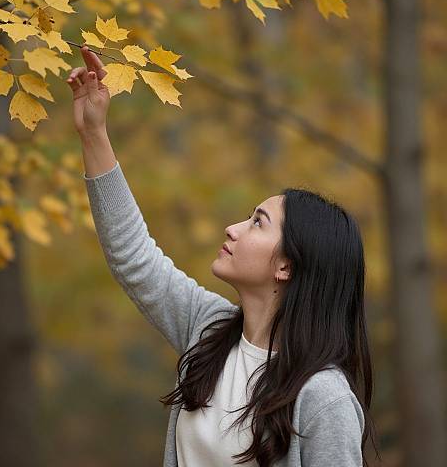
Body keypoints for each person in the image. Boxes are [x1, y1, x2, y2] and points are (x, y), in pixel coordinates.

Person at [66, 46, 379, 467]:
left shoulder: (323, 399)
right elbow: (133, 258)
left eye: (257, 222)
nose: (233, 228)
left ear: (286, 266)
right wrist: (93, 134)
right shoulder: (209, 330)